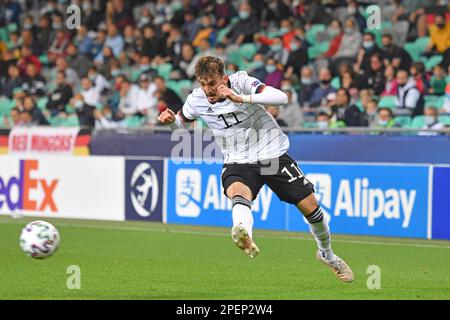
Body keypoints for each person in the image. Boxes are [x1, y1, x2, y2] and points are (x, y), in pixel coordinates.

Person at [157, 56, 354, 282]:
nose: (208, 89)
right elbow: (181, 126)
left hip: (271, 153)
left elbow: (281, 97)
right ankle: (243, 233)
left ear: (224, 77)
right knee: (238, 193)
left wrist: (241, 98)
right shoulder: (196, 100)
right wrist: (171, 121)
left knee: (312, 209)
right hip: (238, 159)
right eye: (203, 83)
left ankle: (327, 255)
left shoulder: (241, 82)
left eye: (212, 83)